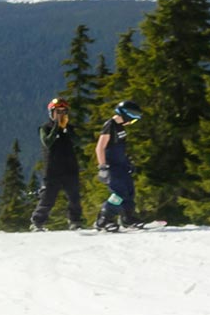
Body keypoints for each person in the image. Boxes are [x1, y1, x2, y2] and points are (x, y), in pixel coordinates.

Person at [31, 98, 85, 230]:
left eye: (63, 111)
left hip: (70, 168)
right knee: (48, 197)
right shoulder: (45, 128)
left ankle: (75, 221)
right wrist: (56, 126)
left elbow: (79, 142)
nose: (61, 114)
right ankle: (37, 222)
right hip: (52, 169)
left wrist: (67, 130)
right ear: (51, 113)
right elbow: (47, 142)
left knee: (74, 197)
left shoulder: (69, 129)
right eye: (58, 111)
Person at [95, 100, 144, 232]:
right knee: (119, 193)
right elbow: (100, 147)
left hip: (121, 165)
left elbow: (119, 148)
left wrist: (127, 162)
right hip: (112, 166)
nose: (132, 122)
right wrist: (102, 167)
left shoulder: (120, 126)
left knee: (129, 191)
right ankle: (104, 220)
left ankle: (127, 218)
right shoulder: (110, 125)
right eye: (133, 119)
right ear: (127, 114)